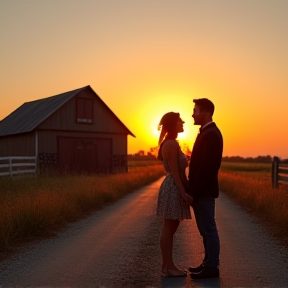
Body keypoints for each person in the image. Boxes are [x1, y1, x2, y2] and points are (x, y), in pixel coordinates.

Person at [187, 98, 223, 279]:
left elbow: (207, 168)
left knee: (209, 229)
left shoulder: (211, 134)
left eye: (195, 110)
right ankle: (207, 263)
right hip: (202, 190)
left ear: (206, 113)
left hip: (204, 191)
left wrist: (193, 192)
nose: (192, 114)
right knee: (204, 230)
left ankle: (212, 267)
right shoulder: (206, 132)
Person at [156, 112, 193, 277]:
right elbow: (175, 172)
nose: (183, 122)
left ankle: (168, 266)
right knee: (169, 225)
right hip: (172, 186)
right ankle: (168, 267)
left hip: (173, 185)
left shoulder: (172, 143)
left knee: (172, 225)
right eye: (180, 120)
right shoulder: (170, 144)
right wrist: (183, 192)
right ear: (173, 124)